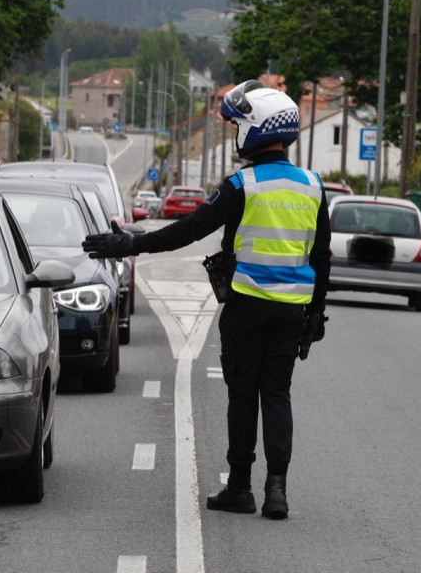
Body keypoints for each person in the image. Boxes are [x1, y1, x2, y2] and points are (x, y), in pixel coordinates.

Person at [82, 80, 331, 520]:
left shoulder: (242, 185)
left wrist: (125, 244)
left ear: (253, 129)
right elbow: (322, 256)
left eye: (237, 124)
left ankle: (239, 487)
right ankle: (277, 491)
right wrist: (315, 315)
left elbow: (186, 231)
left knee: (242, 396)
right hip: (292, 309)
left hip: (246, 305)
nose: (234, 132)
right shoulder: (313, 186)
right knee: (276, 394)